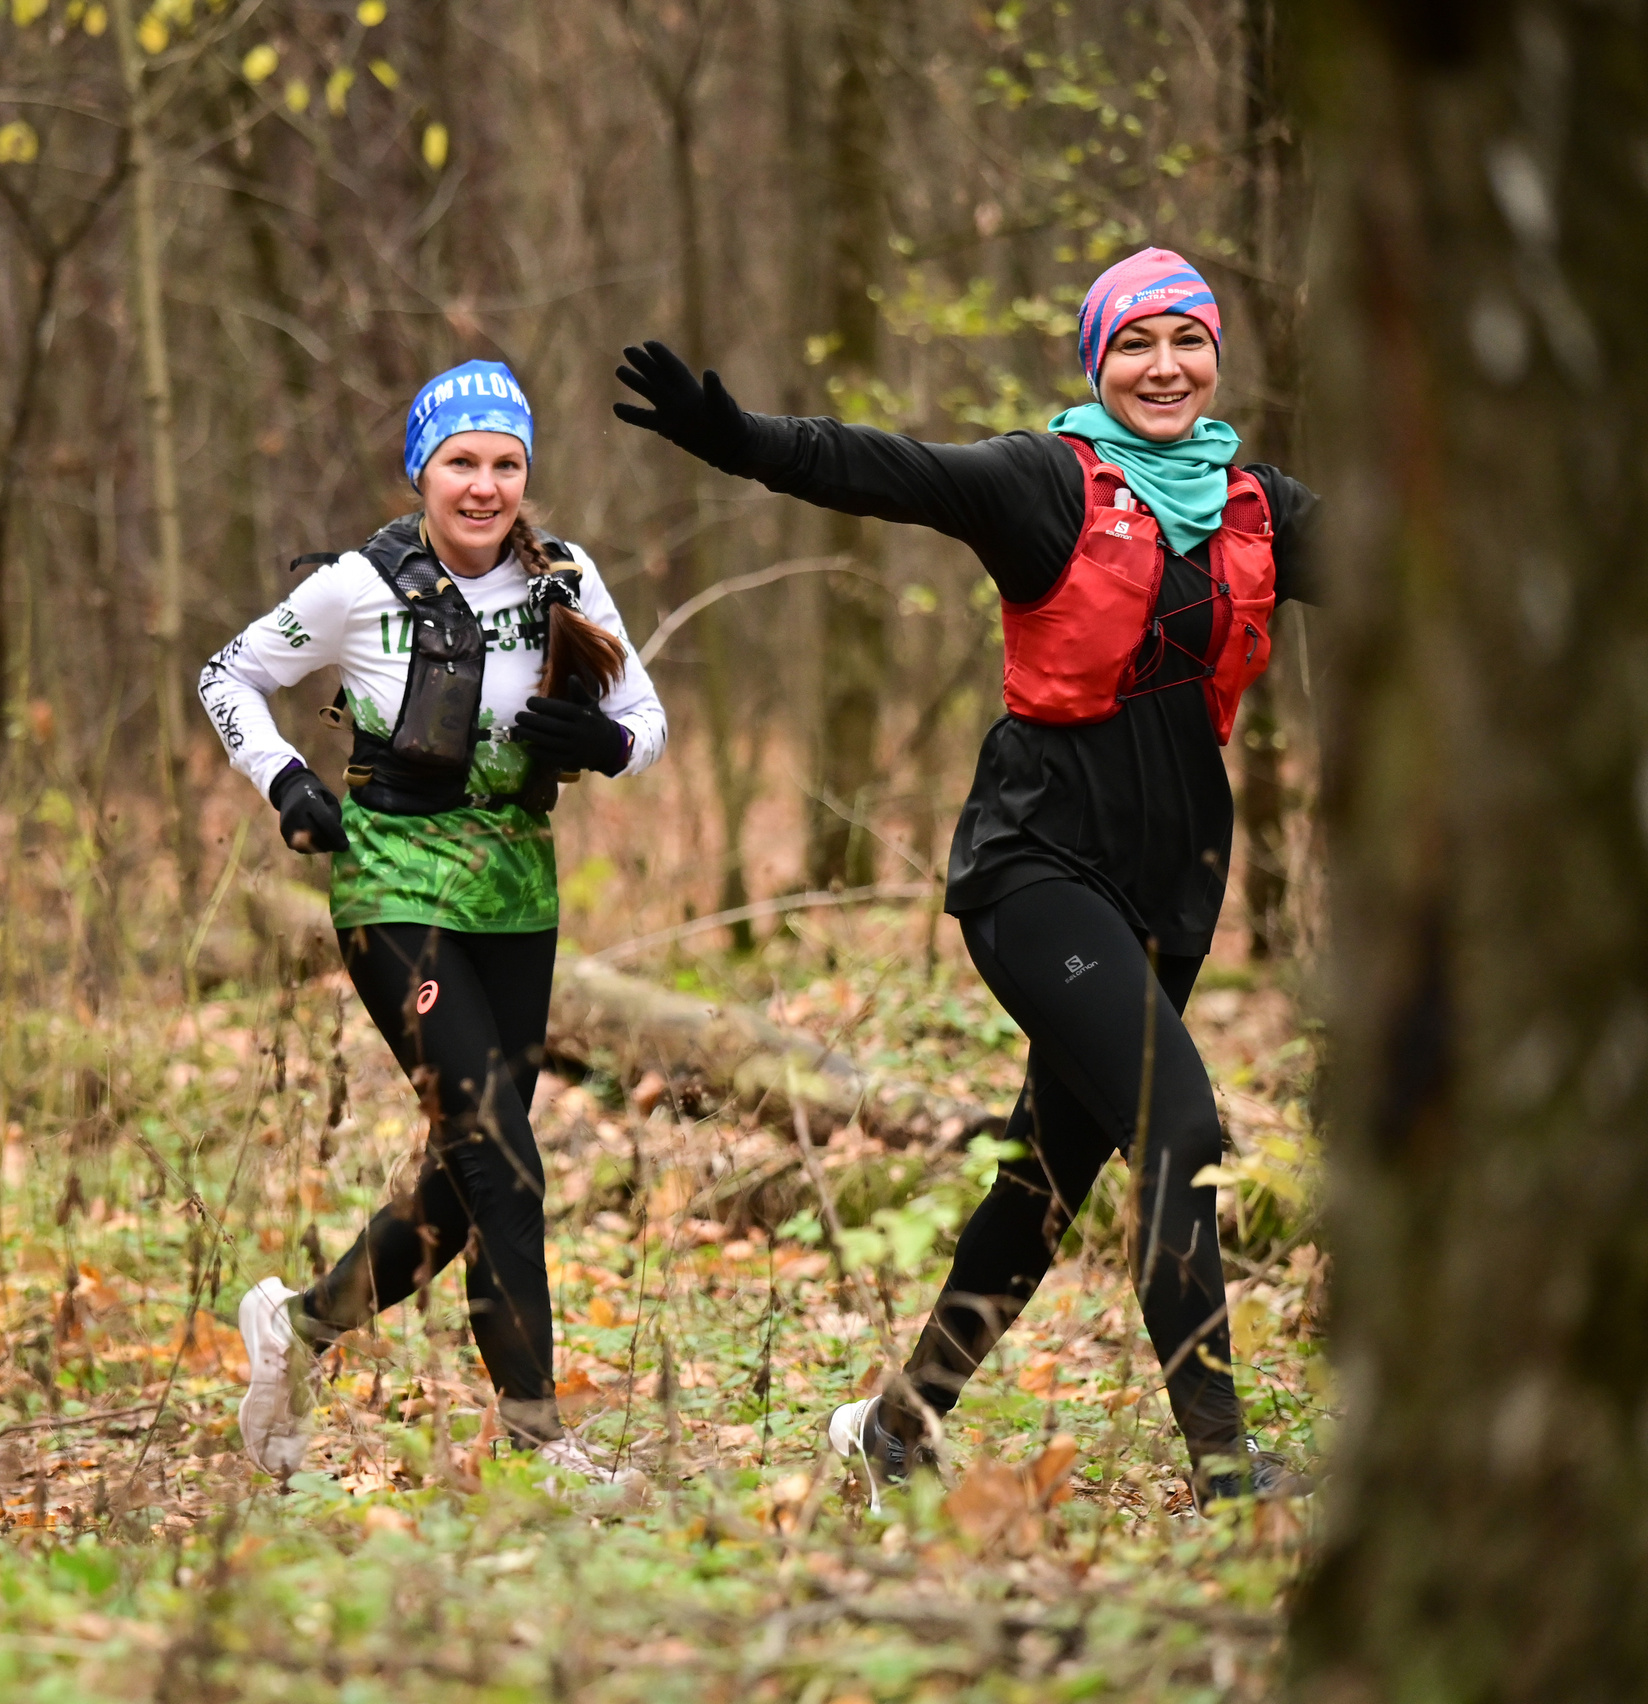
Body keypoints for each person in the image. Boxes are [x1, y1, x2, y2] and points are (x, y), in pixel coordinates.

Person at [614, 249, 1316, 1507]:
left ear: (1218, 358)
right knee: (1181, 1127)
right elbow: (887, 468)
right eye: (1135, 343)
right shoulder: (1045, 483)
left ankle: (894, 1427)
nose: (1164, 367)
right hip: (1035, 867)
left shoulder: (1256, 508)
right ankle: (1222, 1469)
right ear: (1096, 362)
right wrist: (737, 438)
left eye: (1187, 342)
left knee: (1049, 1176)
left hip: (1172, 887)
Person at [200, 360, 668, 1484]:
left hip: (516, 897)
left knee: (460, 1193)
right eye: (461, 462)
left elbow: (646, 719)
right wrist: (284, 782)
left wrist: (605, 744)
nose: (484, 486)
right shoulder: (358, 585)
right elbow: (226, 676)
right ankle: (538, 1444)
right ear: (422, 471)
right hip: (393, 891)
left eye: (506, 463)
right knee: (502, 1159)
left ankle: (301, 1327)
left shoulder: (565, 579)